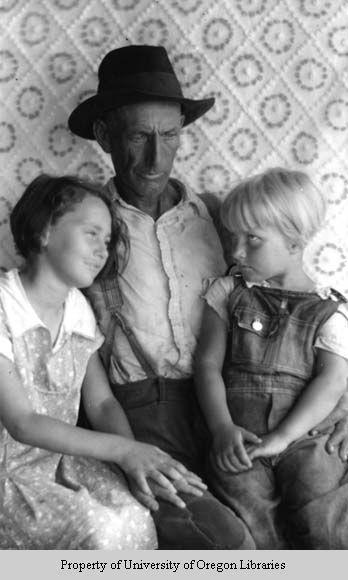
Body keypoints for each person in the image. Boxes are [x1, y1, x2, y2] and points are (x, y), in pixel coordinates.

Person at [68, 44, 256, 549]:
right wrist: (125, 451)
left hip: (229, 404)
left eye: (169, 136)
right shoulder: (84, 226)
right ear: (105, 137)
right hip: (138, 413)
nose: (157, 157)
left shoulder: (222, 218)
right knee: (224, 543)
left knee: (282, 527)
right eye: (139, 136)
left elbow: (292, 306)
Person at [0, 174, 206, 550]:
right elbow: (22, 423)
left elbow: (101, 402)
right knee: (99, 530)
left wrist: (135, 462)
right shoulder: (4, 305)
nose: (102, 250)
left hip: (65, 462)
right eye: (91, 233)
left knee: (132, 513)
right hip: (9, 476)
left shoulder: (78, 308)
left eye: (108, 241)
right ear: (45, 231)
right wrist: (124, 451)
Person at [194, 168, 348, 549]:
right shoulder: (228, 292)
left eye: (253, 240)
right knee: (250, 525)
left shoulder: (329, 311)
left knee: (321, 522)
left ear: (295, 243)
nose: (236, 252)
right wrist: (221, 429)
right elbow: (207, 365)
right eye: (234, 237)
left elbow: (332, 382)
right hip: (239, 437)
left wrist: (283, 437)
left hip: (307, 438)